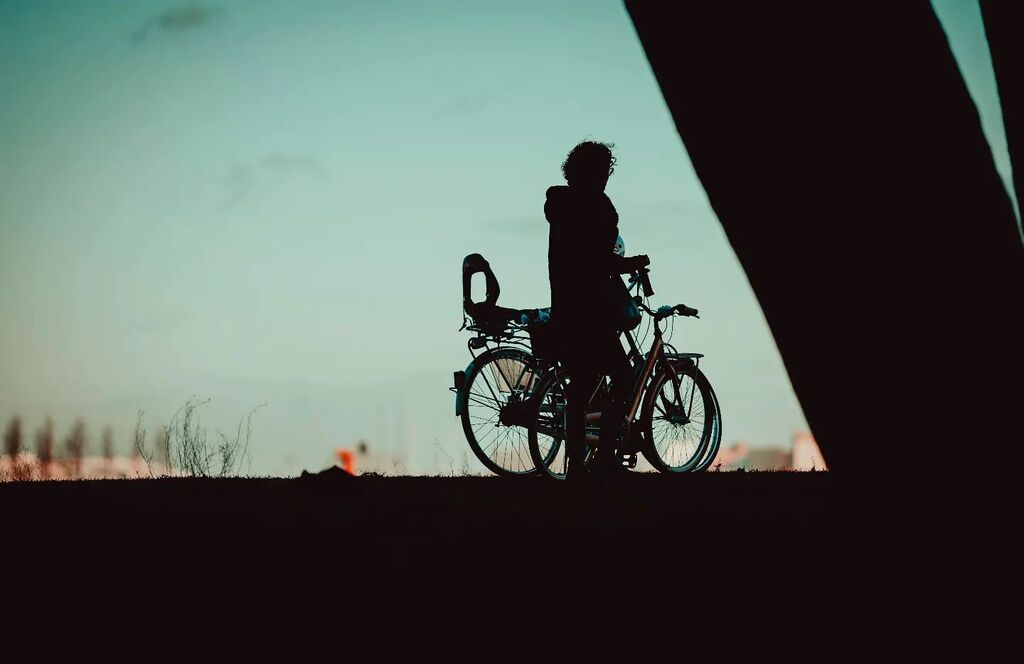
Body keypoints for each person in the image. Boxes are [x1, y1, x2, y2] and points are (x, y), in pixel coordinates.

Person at [545, 141, 649, 480]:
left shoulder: (560, 205)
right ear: (594, 173)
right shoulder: (594, 206)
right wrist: (629, 263)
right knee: (622, 377)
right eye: (603, 171)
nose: (606, 177)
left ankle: (578, 466)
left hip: (567, 309)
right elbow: (594, 258)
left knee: (581, 387)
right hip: (593, 312)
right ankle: (604, 460)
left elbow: (577, 258)